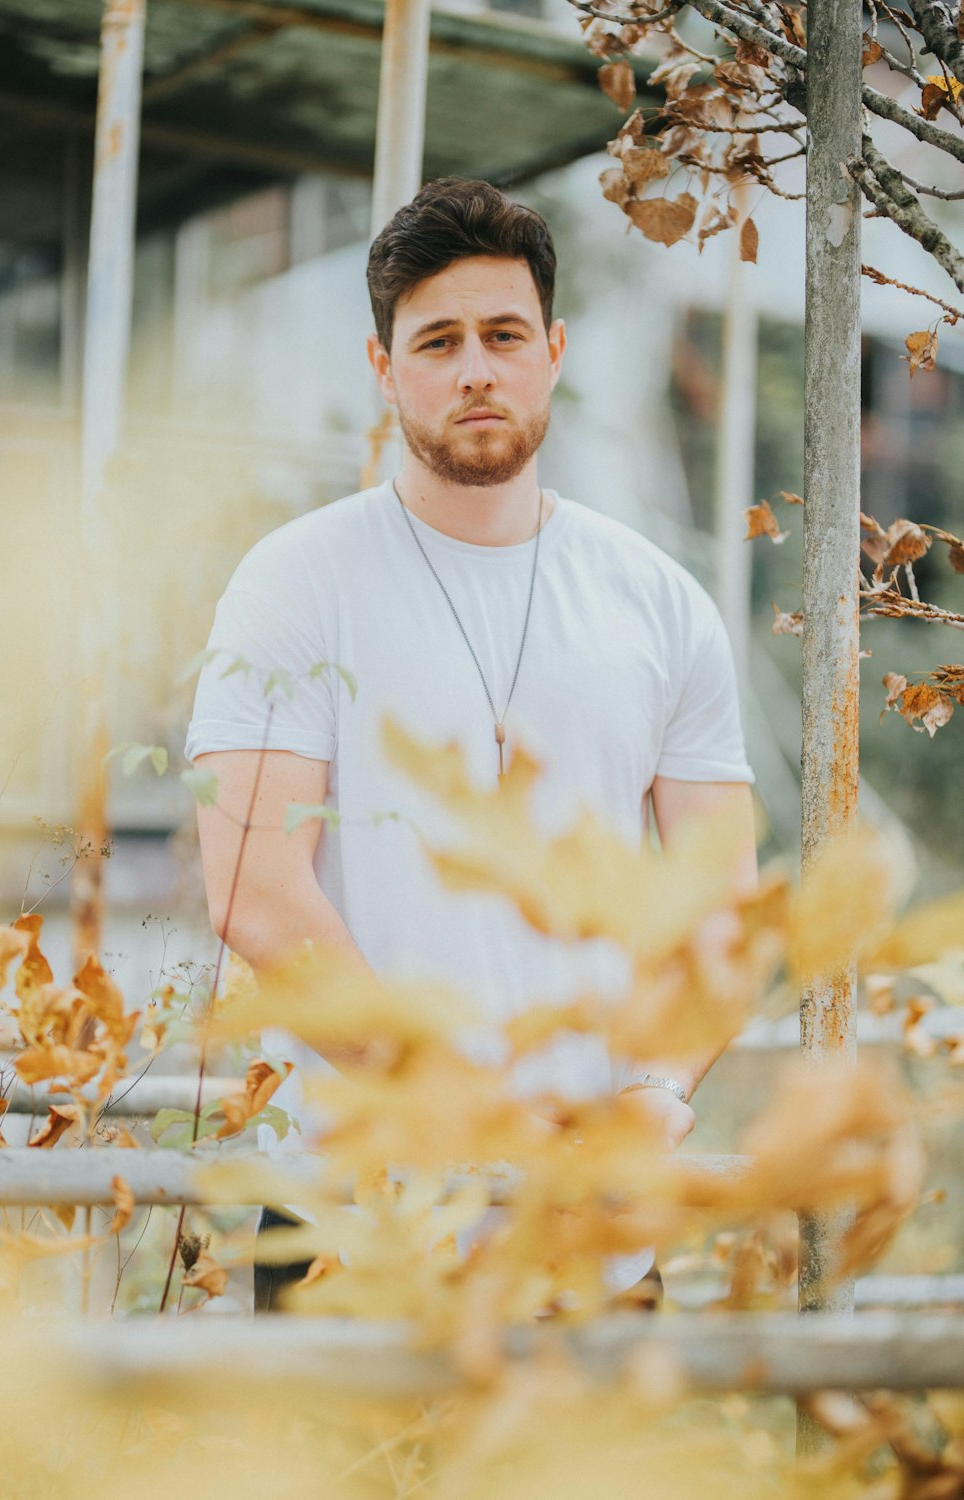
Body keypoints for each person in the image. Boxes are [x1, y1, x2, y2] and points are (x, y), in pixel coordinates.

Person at [185, 177, 758, 1312]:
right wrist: (451, 1103)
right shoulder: (295, 583)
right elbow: (253, 890)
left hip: (589, 1232)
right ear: (384, 368)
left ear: (552, 349)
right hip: (355, 1224)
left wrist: (653, 1094)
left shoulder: (657, 601)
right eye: (436, 341)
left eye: (502, 335)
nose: (475, 369)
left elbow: (719, 902)